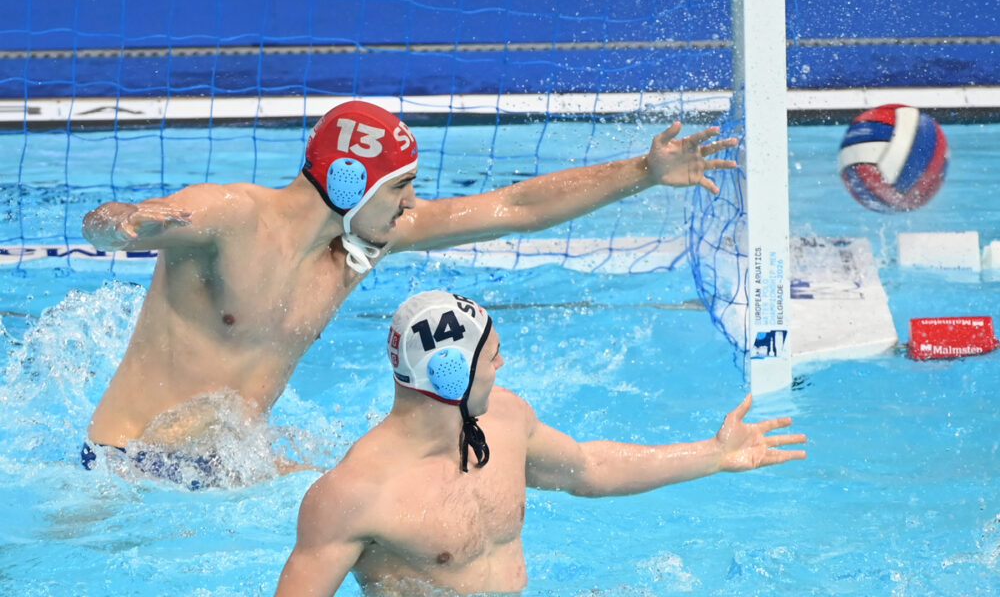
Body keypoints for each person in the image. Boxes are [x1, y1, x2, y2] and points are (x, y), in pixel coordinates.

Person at [80, 100, 738, 475]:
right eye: (400, 188)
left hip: (225, 467)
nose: (411, 204)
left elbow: (514, 208)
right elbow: (114, 223)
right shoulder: (229, 217)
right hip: (125, 469)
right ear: (347, 183)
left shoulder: (362, 247)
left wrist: (645, 171)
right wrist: (124, 225)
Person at [274, 291, 807, 595]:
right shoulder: (355, 495)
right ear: (451, 374)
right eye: (494, 355)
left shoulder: (504, 418)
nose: (503, 365)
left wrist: (712, 454)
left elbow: (588, 467)